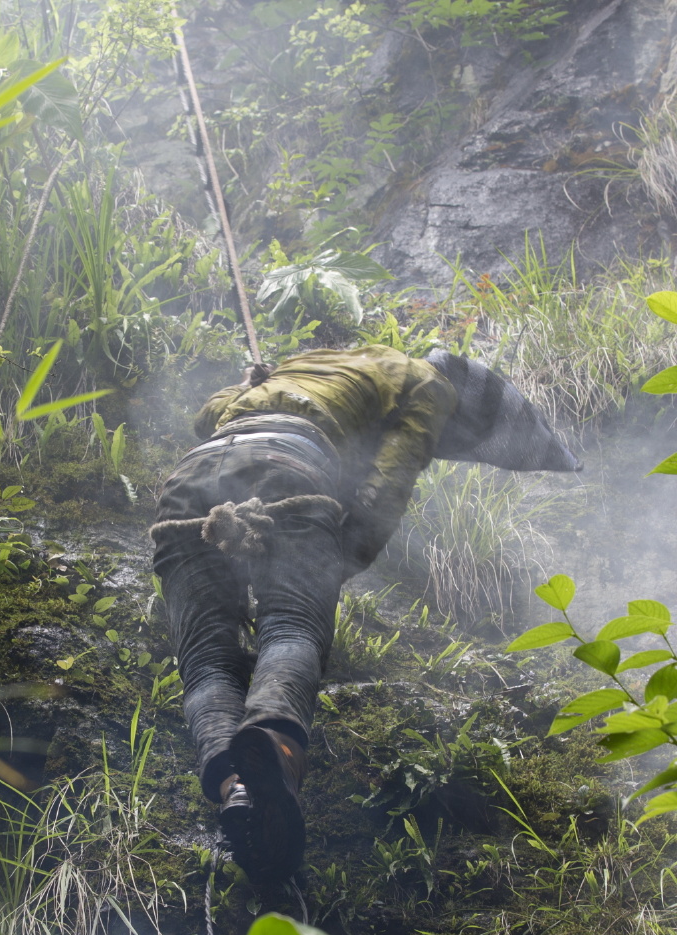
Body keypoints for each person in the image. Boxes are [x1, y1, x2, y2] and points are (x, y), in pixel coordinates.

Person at [150, 346, 580, 883]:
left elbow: (206, 417)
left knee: (207, 661)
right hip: (289, 468)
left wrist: (251, 384)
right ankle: (275, 746)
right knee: (293, 624)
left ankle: (234, 788)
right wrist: (344, 556)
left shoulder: (303, 368)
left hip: (189, 481)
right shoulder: (428, 382)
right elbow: (391, 475)